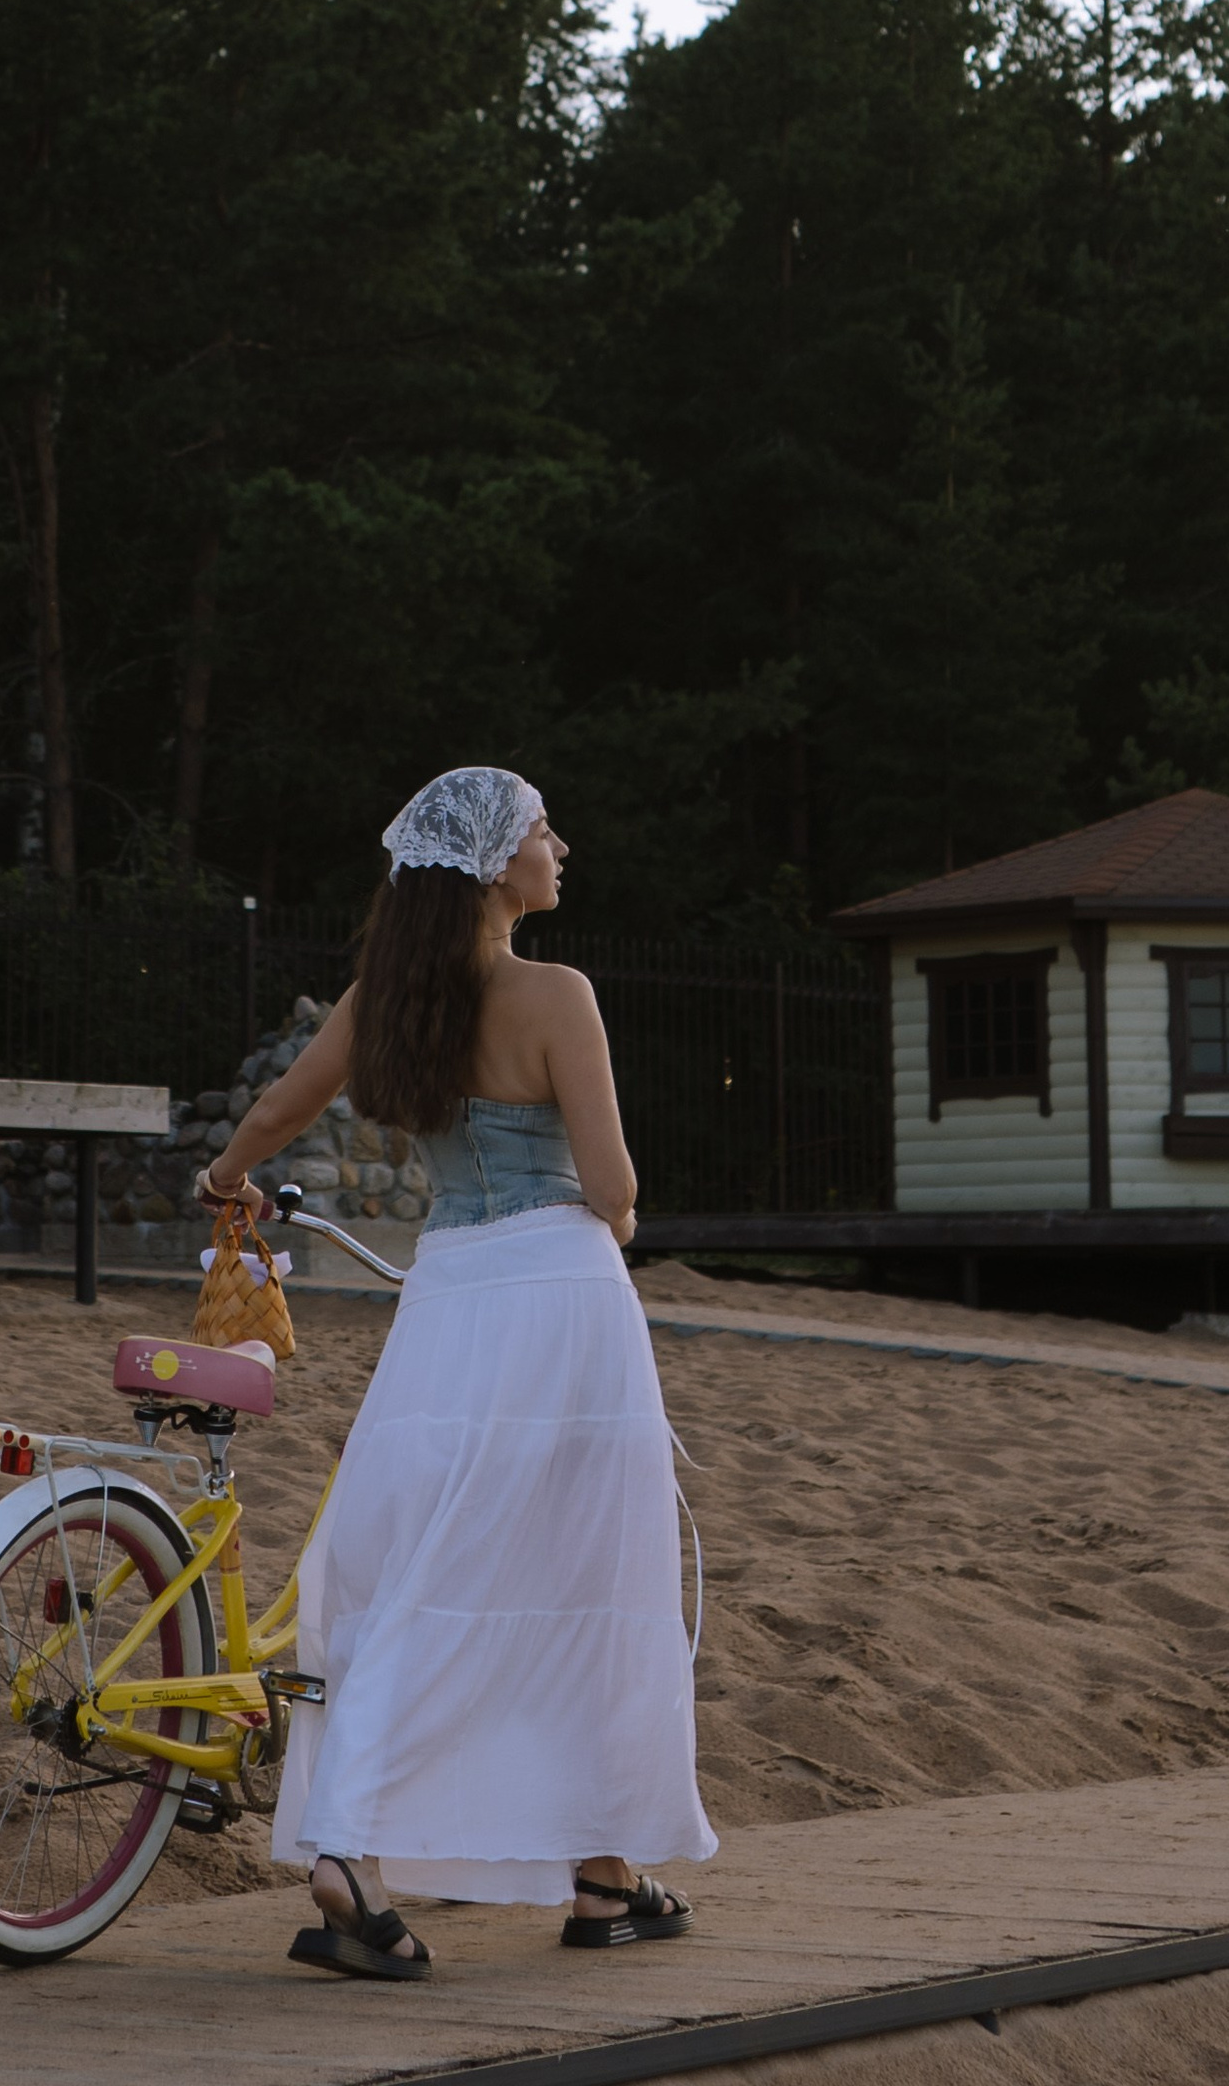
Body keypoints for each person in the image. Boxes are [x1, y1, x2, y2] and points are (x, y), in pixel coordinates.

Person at [195, 766, 714, 1981]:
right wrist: (620, 1226)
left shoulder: (391, 997)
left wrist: (224, 1180)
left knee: (425, 1565)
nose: (561, 845)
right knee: (581, 1578)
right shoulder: (555, 995)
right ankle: (565, 1875)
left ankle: (585, 1871)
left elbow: (279, 1108)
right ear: (493, 864)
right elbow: (613, 1189)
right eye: (541, 829)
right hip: (561, 1305)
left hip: (447, 1304)